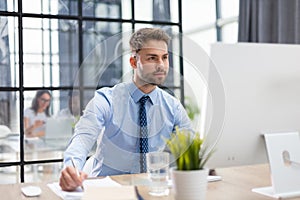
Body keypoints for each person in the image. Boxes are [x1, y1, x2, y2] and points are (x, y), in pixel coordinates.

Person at [59, 28, 192, 191]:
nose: (161, 65)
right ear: (133, 62)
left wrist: (200, 163)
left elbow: (190, 144)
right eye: (152, 58)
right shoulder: (106, 99)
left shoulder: (173, 106)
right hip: (107, 190)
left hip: (151, 188)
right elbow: (82, 138)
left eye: (164, 58)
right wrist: (71, 169)